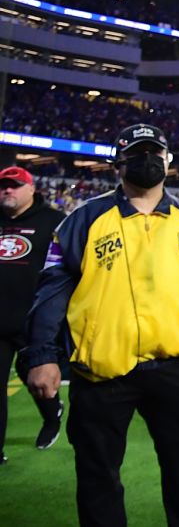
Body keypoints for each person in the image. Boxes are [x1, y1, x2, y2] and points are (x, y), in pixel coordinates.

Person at [23, 124, 179, 526]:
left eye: (154, 153)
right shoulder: (84, 219)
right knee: (98, 473)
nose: (147, 160)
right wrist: (42, 355)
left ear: (167, 160)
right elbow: (51, 291)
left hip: (174, 365)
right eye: (136, 153)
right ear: (118, 163)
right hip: (101, 369)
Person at [0, 166, 65, 463]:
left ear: (31, 189)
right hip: (0, 321)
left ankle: (52, 416)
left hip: (34, 322)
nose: (7, 190)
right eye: (3, 185)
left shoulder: (54, 221)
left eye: (14, 185)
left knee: (37, 382)